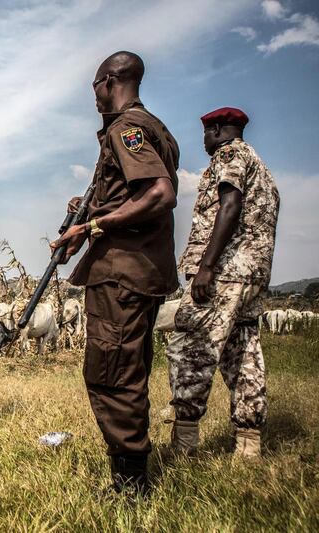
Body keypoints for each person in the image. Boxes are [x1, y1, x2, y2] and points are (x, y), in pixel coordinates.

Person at [51, 51, 179, 494]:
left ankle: (131, 486)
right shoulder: (154, 128)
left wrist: (94, 224)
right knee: (128, 370)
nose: (93, 95)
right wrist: (87, 220)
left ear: (109, 81)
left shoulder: (127, 129)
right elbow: (135, 194)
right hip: (140, 271)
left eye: (94, 86)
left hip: (121, 274)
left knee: (110, 374)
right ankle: (134, 471)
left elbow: (159, 193)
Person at [166, 107, 279, 459]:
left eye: (205, 133)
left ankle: (184, 444)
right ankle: (248, 444)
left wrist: (206, 267)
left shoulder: (229, 154)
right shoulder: (262, 167)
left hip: (225, 272)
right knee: (243, 352)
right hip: (251, 276)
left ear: (216, 130)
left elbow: (229, 206)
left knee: (191, 347)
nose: (203, 141)